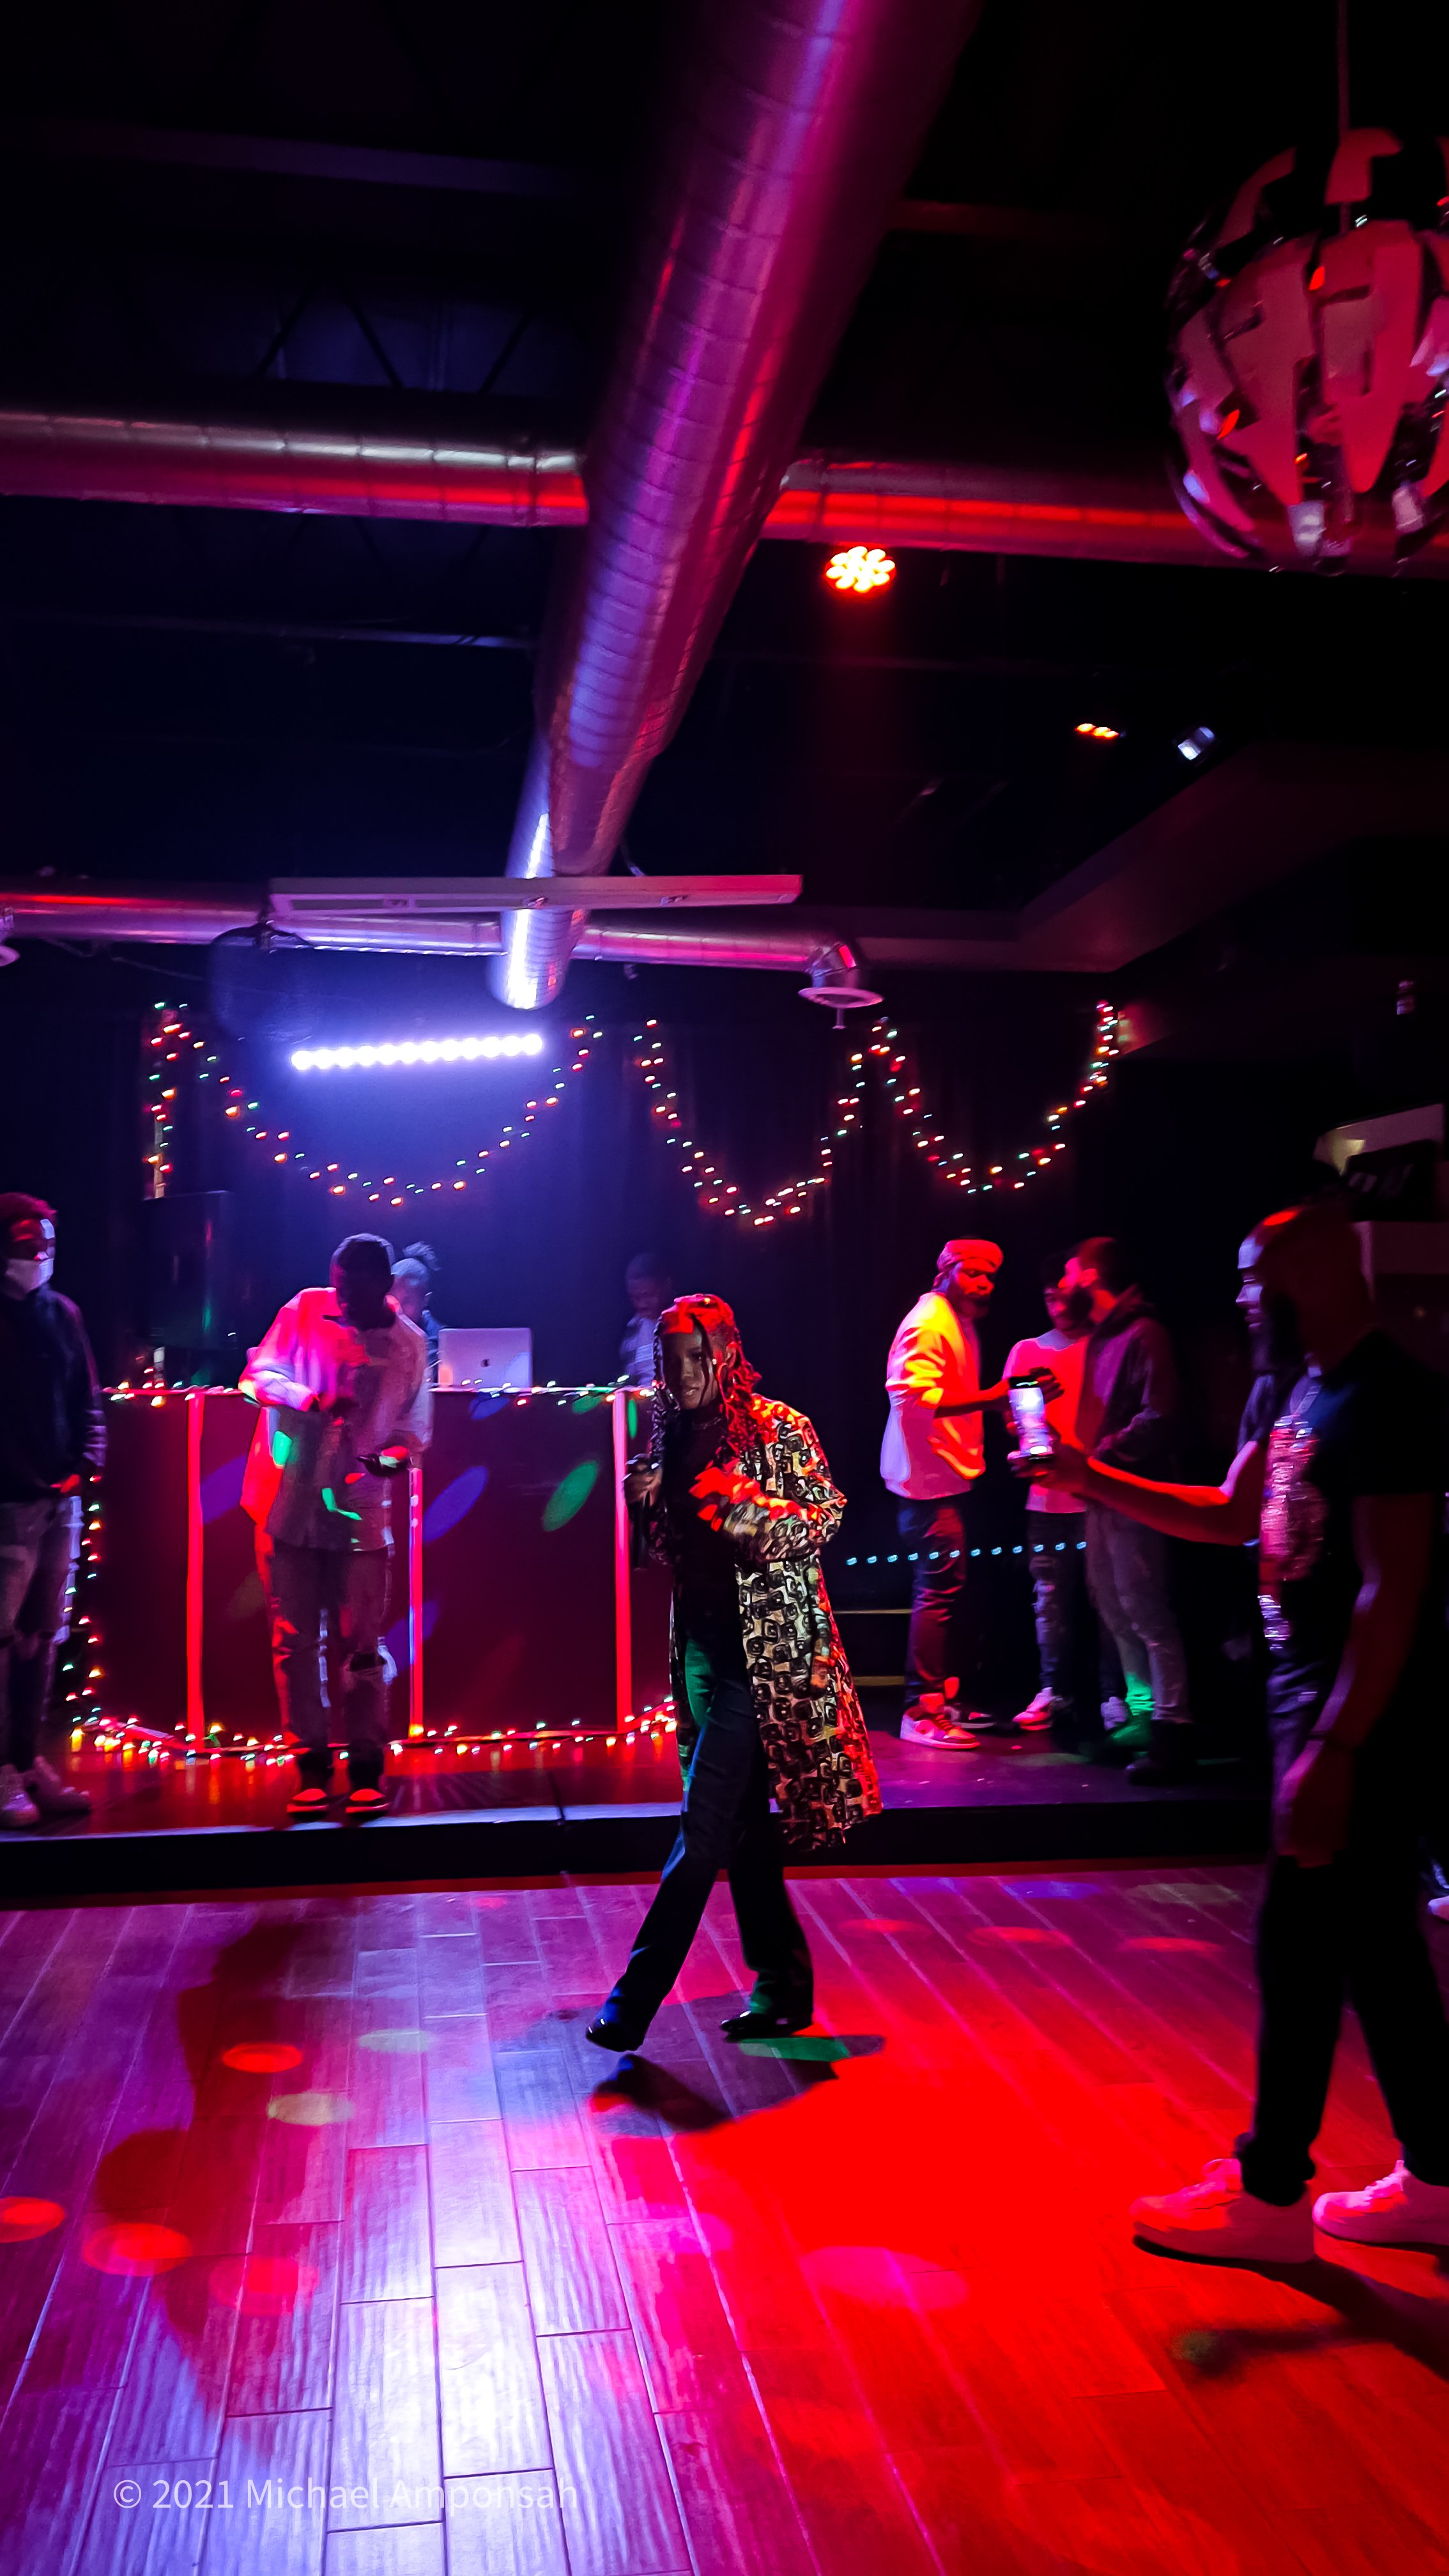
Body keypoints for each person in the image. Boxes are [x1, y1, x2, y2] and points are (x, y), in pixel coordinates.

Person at [1032, 1201, 1449, 2261]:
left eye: (1252, 1274)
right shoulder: (1297, 1385)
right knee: (1377, 1949)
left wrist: (1337, 1746)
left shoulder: (1388, 1397)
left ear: (1312, 1270)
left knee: (1297, 1945)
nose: (1239, 1295)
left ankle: (1268, 2193)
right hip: (1304, 1702)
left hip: (1353, 1711)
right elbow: (1229, 1514)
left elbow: (1390, 1591)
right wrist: (1091, 1479)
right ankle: (1439, 2176)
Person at [588, 1292, 879, 2055]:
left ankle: (634, 1998)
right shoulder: (674, 1432)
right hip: (703, 1653)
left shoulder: (780, 1428)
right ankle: (783, 1982)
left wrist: (744, 1507)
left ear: (725, 1354)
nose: (683, 1376)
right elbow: (668, 1555)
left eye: (696, 1359)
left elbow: (825, 1517)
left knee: (704, 1824)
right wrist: (642, 1510)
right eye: (670, 1360)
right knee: (746, 1832)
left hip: (765, 1657)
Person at [241, 1234, 432, 1818]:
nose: (342, 1299)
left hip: (361, 1511)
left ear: (384, 1288)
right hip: (289, 1503)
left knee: (362, 1641)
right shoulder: (304, 1310)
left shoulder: (408, 1344)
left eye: (354, 1290)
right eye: (338, 1285)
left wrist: (392, 1461)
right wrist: (309, 1399)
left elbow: (413, 1434)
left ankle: (368, 1764)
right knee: (295, 1640)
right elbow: (255, 1378)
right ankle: (312, 1765)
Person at [882, 1239, 1058, 1749]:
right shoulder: (929, 1320)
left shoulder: (956, 1320)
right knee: (936, 1591)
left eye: (990, 1276)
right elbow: (910, 1397)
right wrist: (994, 1396)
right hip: (927, 1483)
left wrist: (1006, 1407)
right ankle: (922, 1710)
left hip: (944, 1477)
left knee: (948, 1589)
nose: (984, 1285)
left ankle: (944, 1699)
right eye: (973, 1274)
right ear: (946, 1272)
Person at [1061, 1236, 1191, 1782]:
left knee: (1146, 1608)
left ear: (1090, 1276)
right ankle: (1142, 1716)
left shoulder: (1144, 1333)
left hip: (1135, 1490)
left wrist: (1100, 1457)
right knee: (1113, 1605)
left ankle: (1173, 1725)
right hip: (1104, 1489)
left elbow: (1159, 1416)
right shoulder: (1105, 1338)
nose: (1063, 1282)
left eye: (1070, 1271)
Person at [0, 1193, 103, 1830]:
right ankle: (3, 1775)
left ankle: (28, 1763)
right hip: (6, 1502)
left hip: (57, 1500)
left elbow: (87, 1400)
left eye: (45, 1245)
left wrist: (84, 1469)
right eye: (24, 1245)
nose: (37, 1256)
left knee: (41, 1637)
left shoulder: (63, 1314)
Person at [1006, 1257, 1122, 1742]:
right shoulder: (1028, 1350)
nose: (1057, 1306)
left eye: (1064, 1295)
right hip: (1048, 1502)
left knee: (1112, 1603)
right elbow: (1014, 1420)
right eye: (1049, 1297)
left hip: (1102, 1496)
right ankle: (1054, 1690)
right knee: (1051, 1603)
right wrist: (1027, 1436)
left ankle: (1117, 1694)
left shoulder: (1108, 1347)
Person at [390, 1242, 440, 1381]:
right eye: (392, 1297)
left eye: (406, 1301)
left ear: (425, 1300)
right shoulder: (375, 1333)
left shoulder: (444, 1345)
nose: (397, 1308)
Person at [620, 1253, 671, 1386]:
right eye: (634, 1298)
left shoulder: (685, 1325)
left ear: (666, 1286)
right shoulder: (632, 1330)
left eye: (648, 1295)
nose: (641, 1304)